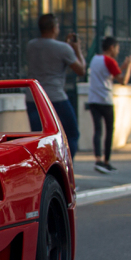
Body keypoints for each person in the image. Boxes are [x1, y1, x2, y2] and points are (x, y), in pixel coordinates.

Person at [26, 13, 86, 157]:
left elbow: (49, 53)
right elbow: (81, 70)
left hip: (33, 98)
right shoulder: (64, 49)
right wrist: (76, 49)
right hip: (55, 98)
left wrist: (66, 46)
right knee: (71, 134)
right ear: (54, 28)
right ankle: (67, 168)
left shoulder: (31, 45)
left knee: (41, 139)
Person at [85, 36, 131, 174]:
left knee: (97, 130)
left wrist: (121, 66)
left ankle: (98, 159)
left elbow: (108, 75)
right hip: (106, 100)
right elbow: (123, 81)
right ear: (112, 48)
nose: (118, 51)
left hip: (93, 99)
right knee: (109, 130)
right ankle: (106, 161)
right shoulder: (110, 61)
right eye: (117, 48)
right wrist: (128, 67)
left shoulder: (95, 59)